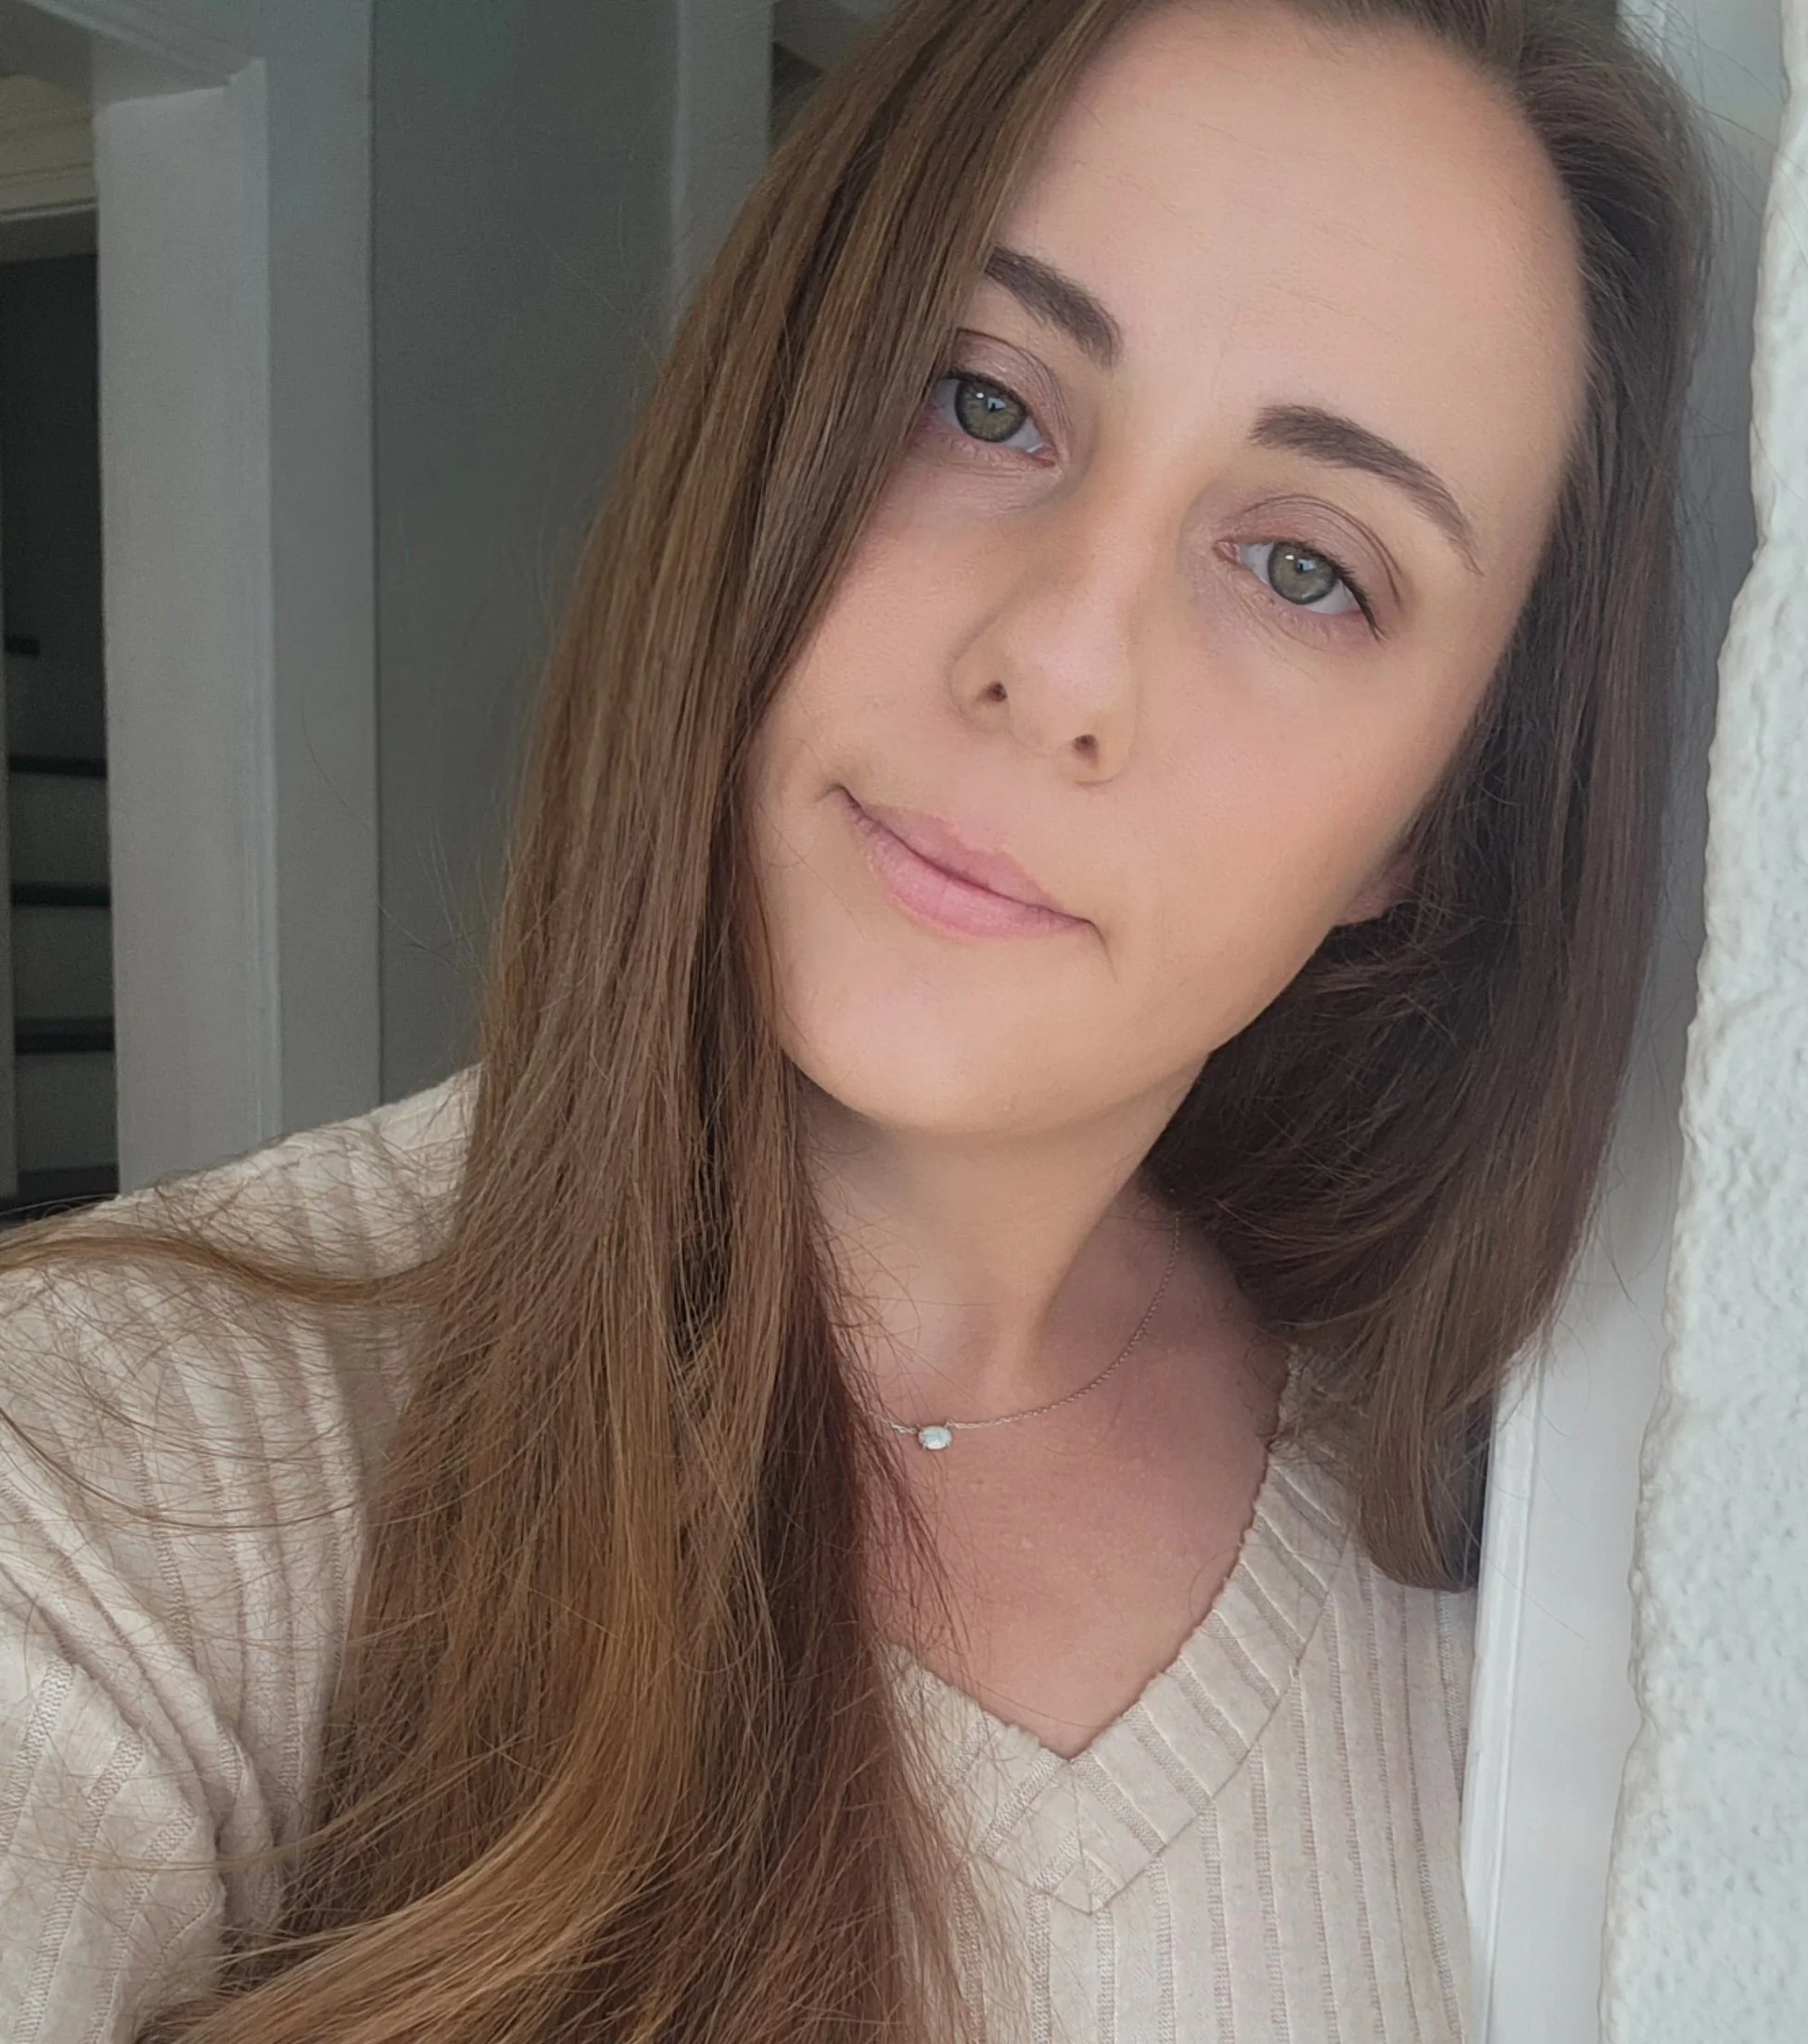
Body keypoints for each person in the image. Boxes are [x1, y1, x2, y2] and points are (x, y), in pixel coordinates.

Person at [0, 0, 1706, 2038]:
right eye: (986, 400)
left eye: (1307, 568)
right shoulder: (111, 1477)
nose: (1061, 657)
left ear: (1427, 824)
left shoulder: (1529, 1613)